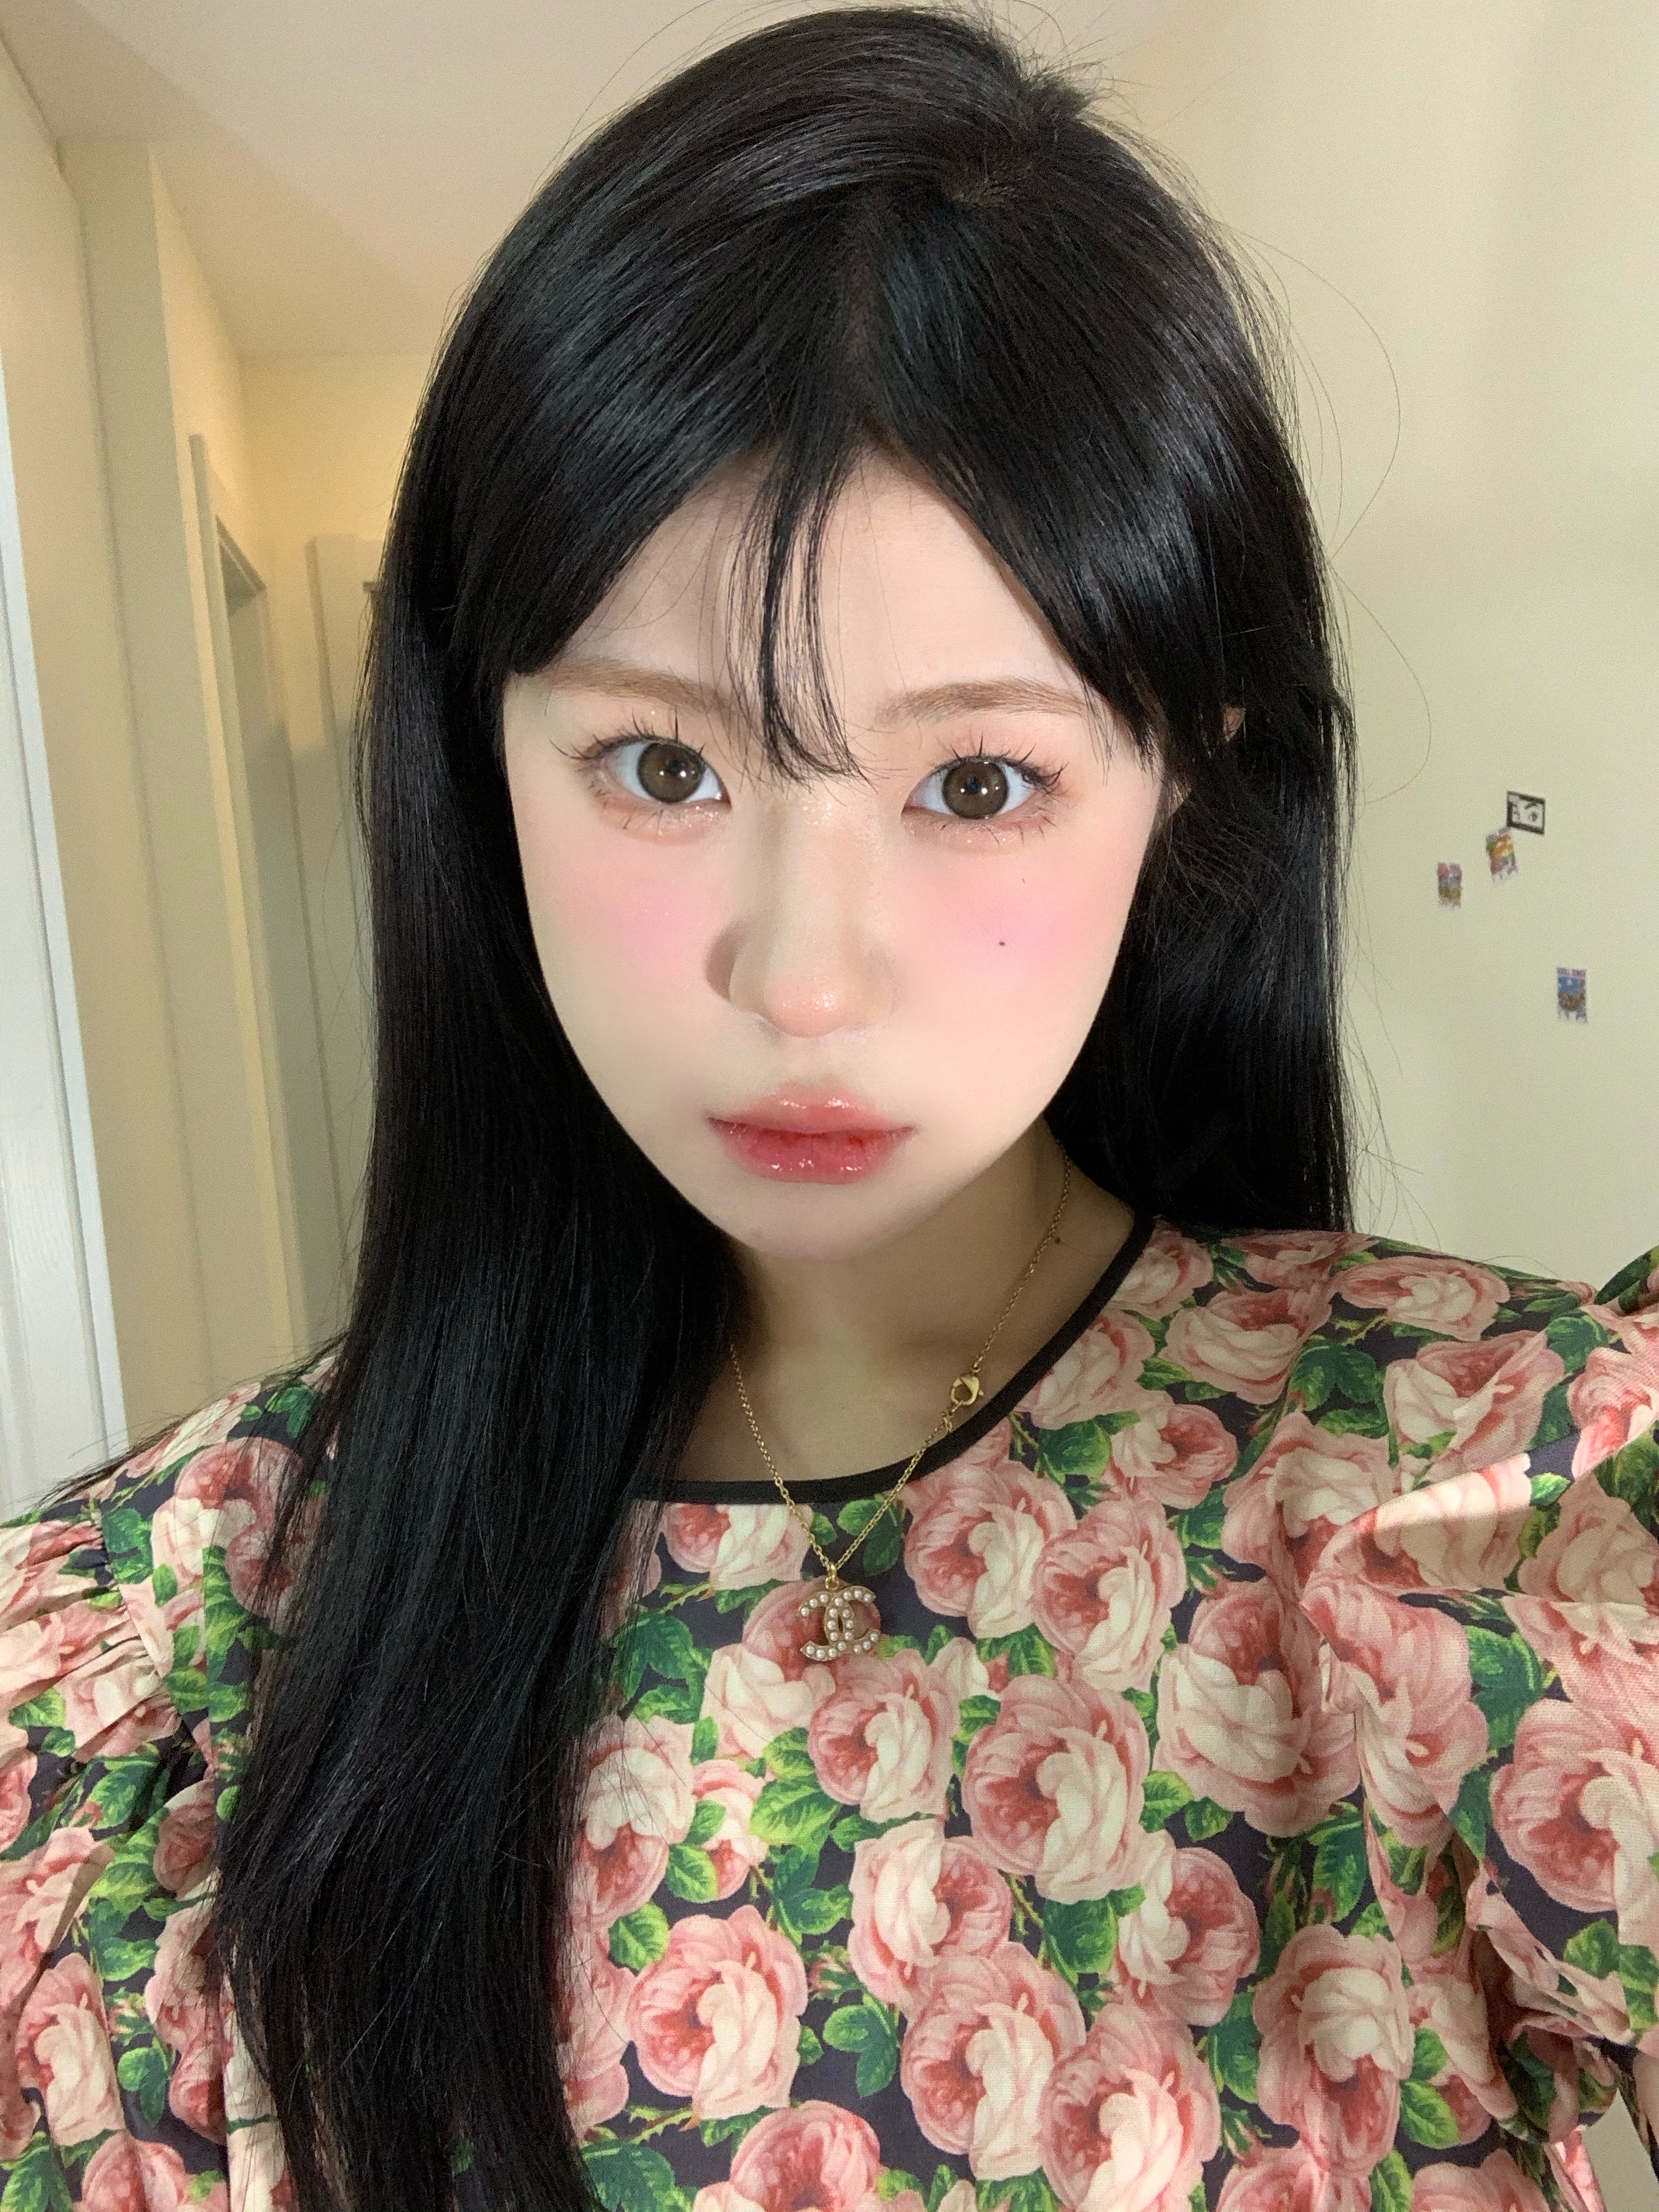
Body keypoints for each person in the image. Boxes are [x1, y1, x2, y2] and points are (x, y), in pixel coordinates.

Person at [1, 9, 1655, 2210]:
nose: (798, 976)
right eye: (660, 764)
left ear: (1180, 783)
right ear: (477, 769)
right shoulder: (143, 1654)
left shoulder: (1476, 1515)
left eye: (974, 782)